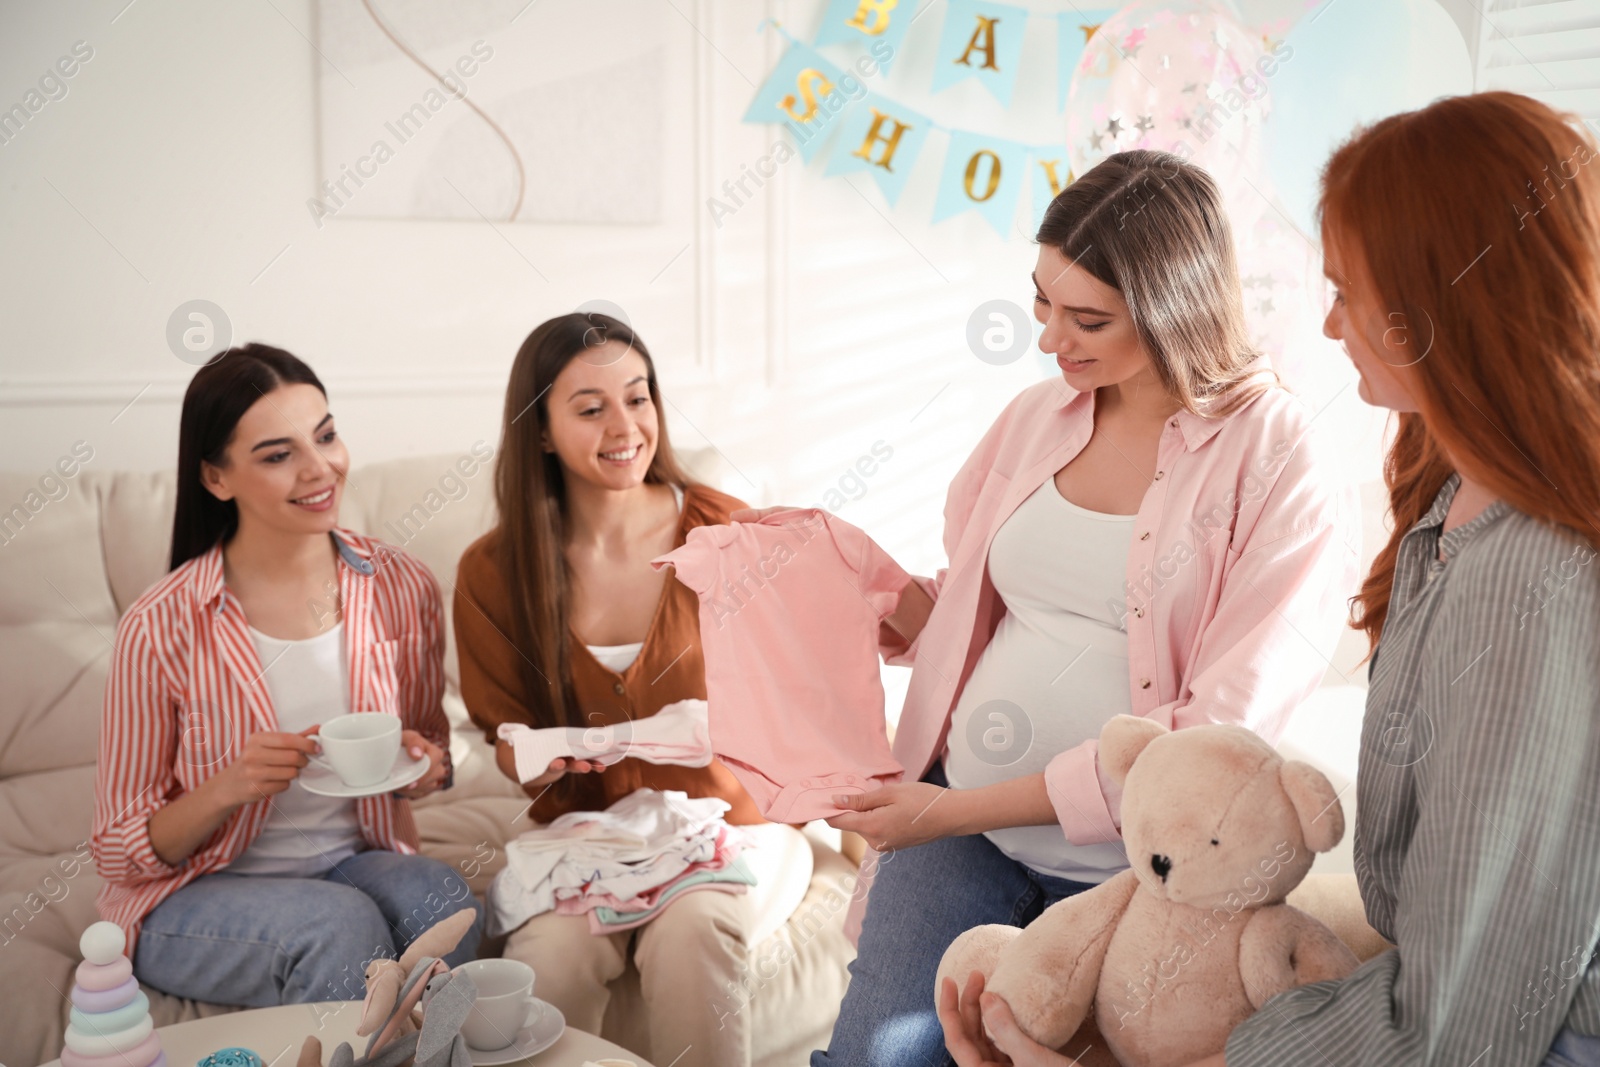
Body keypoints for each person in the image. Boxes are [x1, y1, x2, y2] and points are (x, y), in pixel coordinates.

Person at [940, 92, 1600, 1067]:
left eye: (1348, 290)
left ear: (1444, 309)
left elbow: (1461, 1024)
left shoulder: (1527, 585)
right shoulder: (1448, 503)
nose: (1328, 324)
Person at [796, 149, 1361, 1066]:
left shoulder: (1273, 453)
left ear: (1176, 303)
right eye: (1042, 302)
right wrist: (846, 590)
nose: (1052, 338)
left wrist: (949, 811)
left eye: (1087, 317)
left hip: (1147, 882)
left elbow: (1215, 729)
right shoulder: (1036, 417)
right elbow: (973, 605)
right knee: (871, 1056)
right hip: (961, 831)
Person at [93, 343, 481, 1008]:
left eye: (325, 435)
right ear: (217, 477)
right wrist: (227, 787)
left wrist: (429, 767)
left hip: (353, 859)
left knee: (442, 900)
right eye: (278, 454)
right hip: (194, 893)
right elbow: (117, 849)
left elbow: (426, 750)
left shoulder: (400, 586)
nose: (320, 467)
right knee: (337, 925)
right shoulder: (161, 623)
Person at [454, 313, 765, 1067]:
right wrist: (539, 760)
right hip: (585, 836)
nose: (625, 426)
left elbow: (796, 692)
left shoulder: (727, 533)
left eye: (639, 397)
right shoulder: (493, 571)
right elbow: (506, 736)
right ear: (540, 432)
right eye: (590, 408)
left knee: (693, 936)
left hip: (728, 821)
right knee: (549, 960)